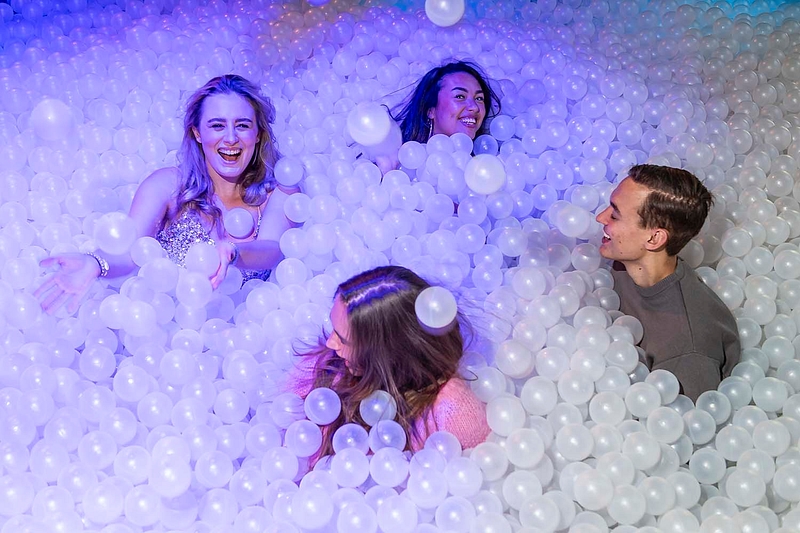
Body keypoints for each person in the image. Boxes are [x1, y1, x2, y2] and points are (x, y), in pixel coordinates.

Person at [36, 75, 294, 313]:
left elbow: (273, 250)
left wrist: (234, 252)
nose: (230, 138)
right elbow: (130, 250)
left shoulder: (280, 190)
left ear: (258, 134)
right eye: (217, 126)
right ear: (197, 133)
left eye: (242, 126)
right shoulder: (169, 185)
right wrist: (95, 264)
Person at [291, 265, 489, 457]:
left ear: (388, 355)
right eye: (334, 328)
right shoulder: (326, 366)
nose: (330, 342)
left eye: (343, 339)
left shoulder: (453, 413)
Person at [595, 164, 741, 401]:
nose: (600, 217)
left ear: (654, 238)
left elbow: (685, 429)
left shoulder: (687, 350)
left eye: (614, 214)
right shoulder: (623, 260)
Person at [393, 60, 501, 143]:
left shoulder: (490, 163)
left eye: (479, 98)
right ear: (430, 110)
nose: (475, 107)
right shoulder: (400, 161)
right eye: (460, 96)